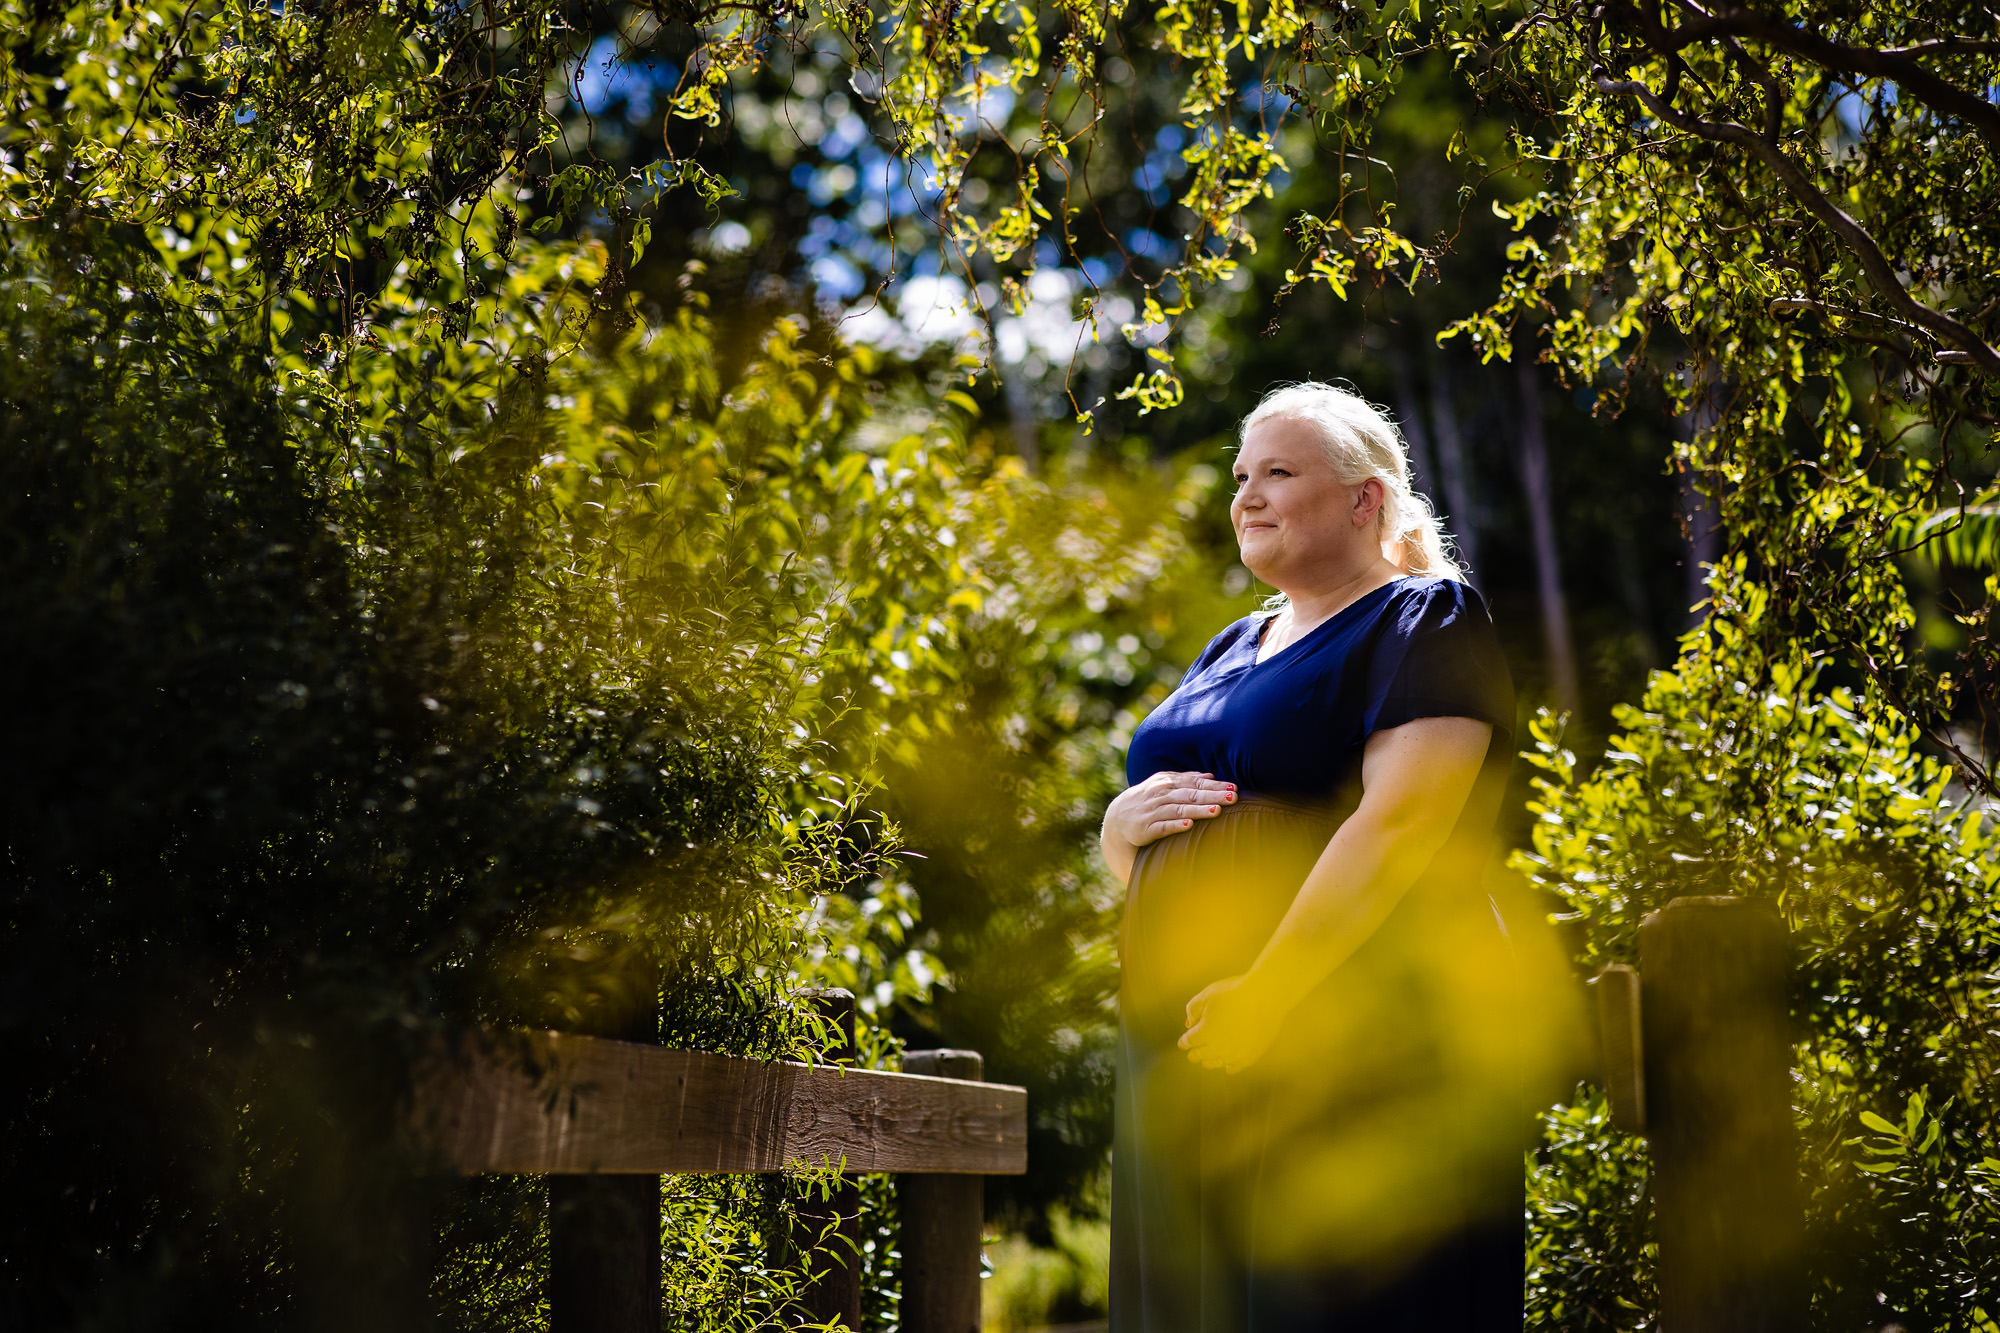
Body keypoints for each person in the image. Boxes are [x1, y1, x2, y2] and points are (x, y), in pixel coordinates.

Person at [1103, 382, 1526, 1331]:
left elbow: (1402, 824)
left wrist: (1272, 989)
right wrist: (1117, 832)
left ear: (1365, 498)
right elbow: (1191, 853)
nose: (1244, 497)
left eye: (1278, 473)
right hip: (1184, 1048)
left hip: (1335, 1021)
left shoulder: (1424, 618)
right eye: (1240, 476)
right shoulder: (1229, 647)